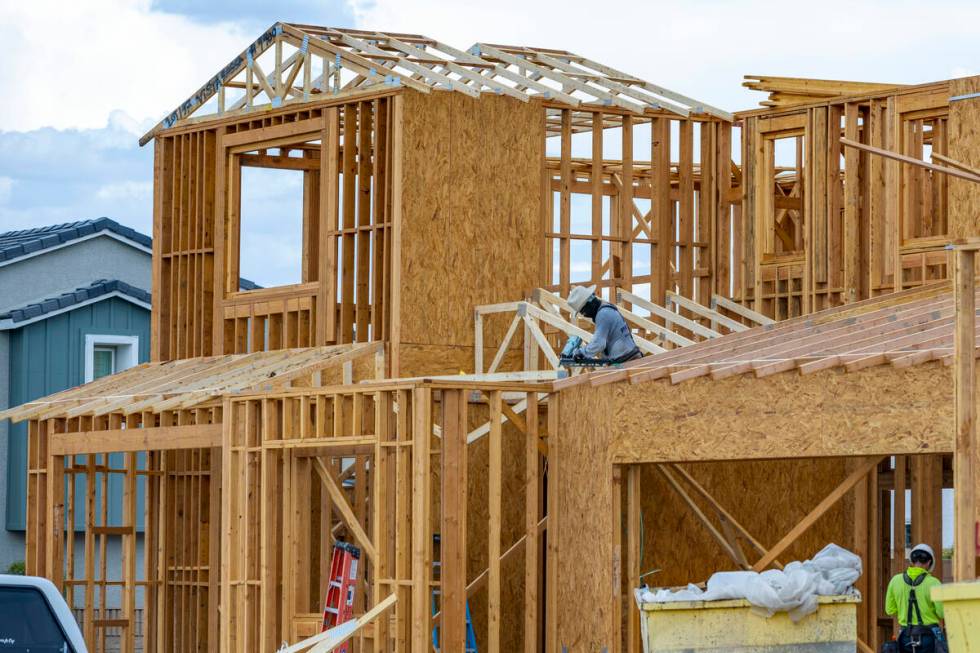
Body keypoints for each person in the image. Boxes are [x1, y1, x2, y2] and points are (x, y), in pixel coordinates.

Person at [884, 543, 945, 653]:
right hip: (929, 637)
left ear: (911, 561)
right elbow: (941, 613)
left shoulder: (895, 581)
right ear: (929, 562)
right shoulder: (934, 583)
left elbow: (890, 610)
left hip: (905, 637)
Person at [566, 285, 642, 364]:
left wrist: (581, 353)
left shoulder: (603, 314)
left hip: (627, 361)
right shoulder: (606, 309)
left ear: (589, 304)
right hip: (626, 359)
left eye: (582, 311)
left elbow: (599, 344)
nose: (584, 315)